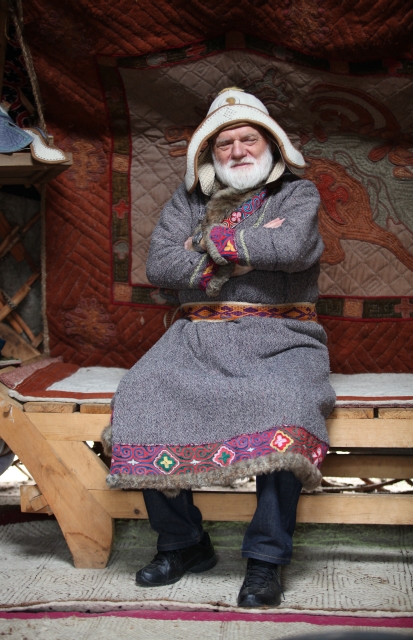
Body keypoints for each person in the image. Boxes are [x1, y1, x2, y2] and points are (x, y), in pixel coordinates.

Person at [103, 87, 336, 608]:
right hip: (195, 337)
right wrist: (245, 249)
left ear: (271, 143)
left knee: (286, 405)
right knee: (141, 392)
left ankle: (266, 560)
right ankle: (183, 543)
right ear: (209, 152)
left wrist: (202, 243)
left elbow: (292, 246)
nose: (237, 150)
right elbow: (160, 265)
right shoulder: (187, 201)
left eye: (248, 139)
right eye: (225, 143)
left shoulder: (297, 195)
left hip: (281, 336)